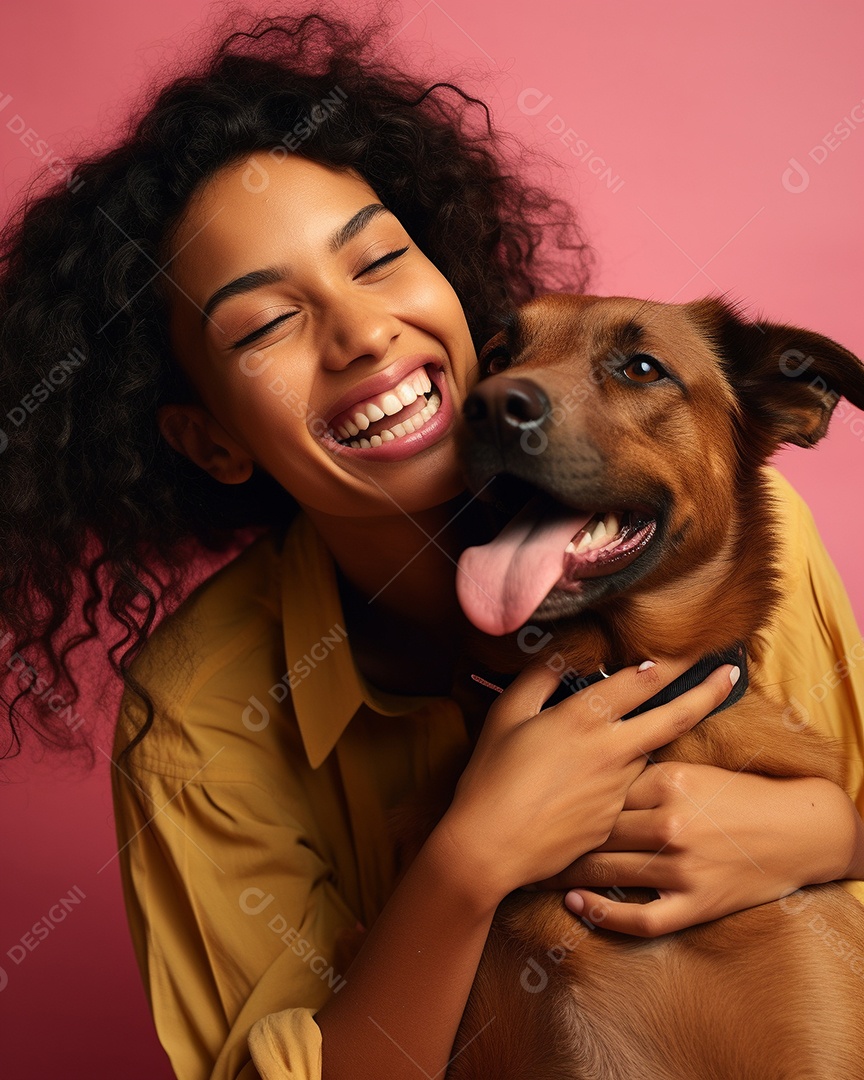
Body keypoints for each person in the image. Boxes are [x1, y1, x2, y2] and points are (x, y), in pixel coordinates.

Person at [1, 9, 862, 1080]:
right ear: (209, 438)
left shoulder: (714, 542)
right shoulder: (199, 725)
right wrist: (469, 861)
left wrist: (832, 830)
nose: (362, 334)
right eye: (267, 324)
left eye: (378, 262)